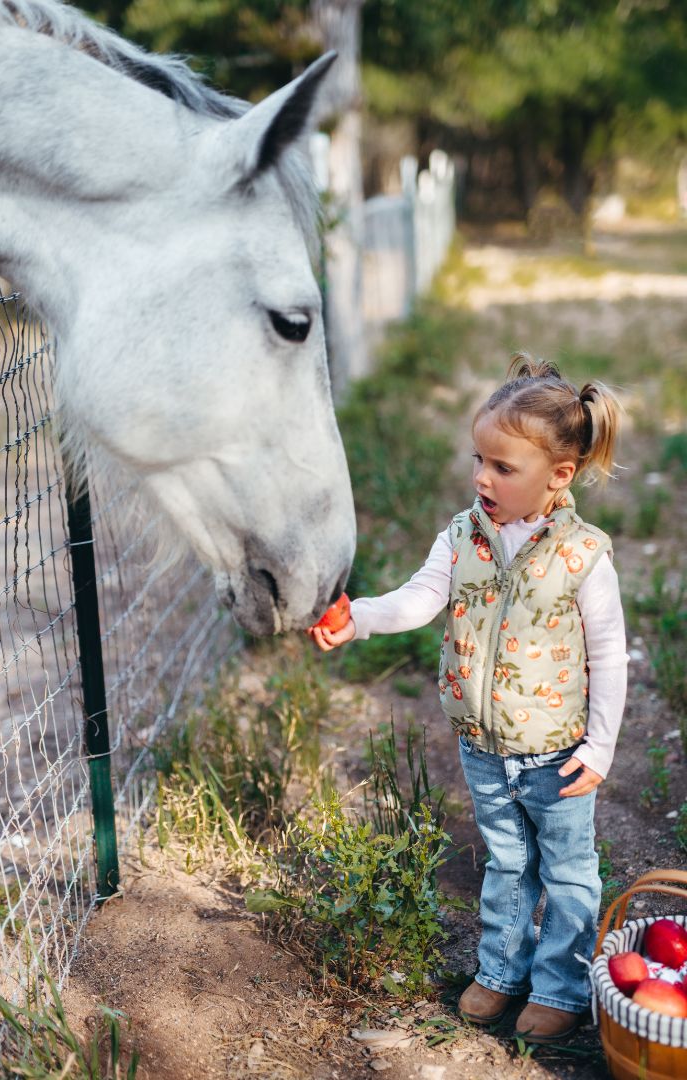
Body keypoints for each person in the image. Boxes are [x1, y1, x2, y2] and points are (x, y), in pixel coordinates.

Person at [309, 355, 629, 1044]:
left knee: (569, 871)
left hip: (560, 754)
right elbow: (420, 600)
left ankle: (561, 987)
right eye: (478, 459)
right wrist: (360, 615)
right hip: (483, 747)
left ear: (559, 476)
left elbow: (609, 659)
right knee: (508, 862)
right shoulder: (462, 537)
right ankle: (501, 973)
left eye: (503, 467)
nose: (482, 477)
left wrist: (599, 748)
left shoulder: (584, 557)